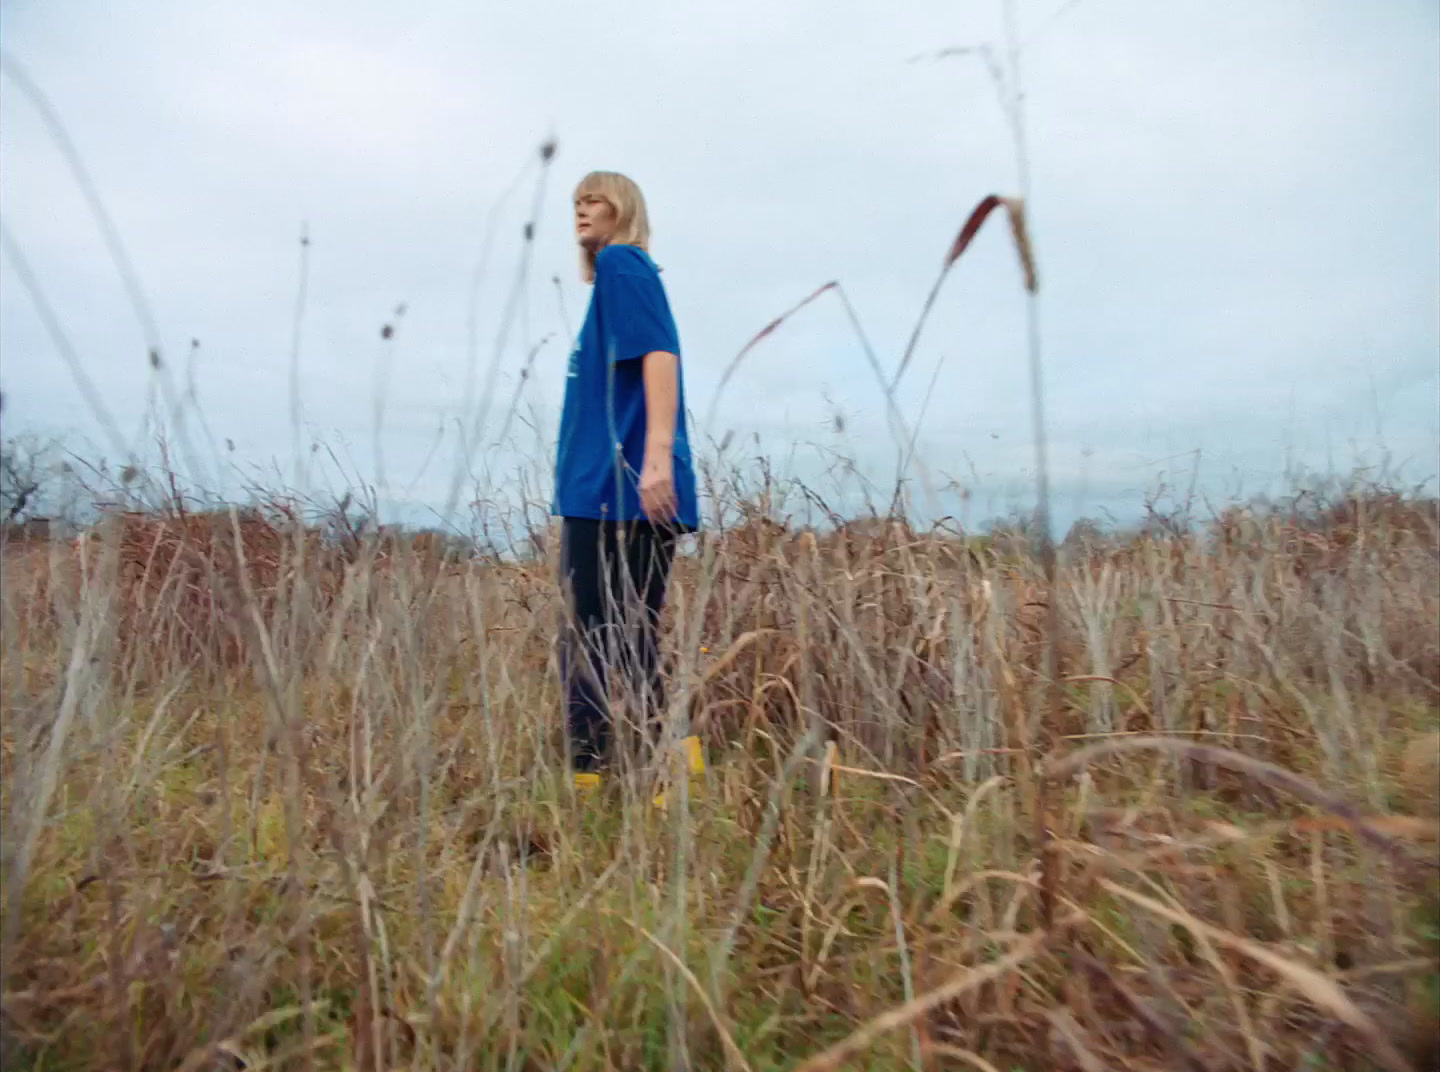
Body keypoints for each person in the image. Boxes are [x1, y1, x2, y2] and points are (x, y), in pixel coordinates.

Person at [552, 170, 702, 791]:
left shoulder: (623, 264)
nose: (583, 211)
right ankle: (666, 773)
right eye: (578, 202)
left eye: (596, 200)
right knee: (620, 634)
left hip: (621, 488)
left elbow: (660, 356)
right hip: (606, 488)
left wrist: (658, 458)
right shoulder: (616, 280)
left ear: (623, 209)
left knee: (597, 634)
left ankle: (596, 780)